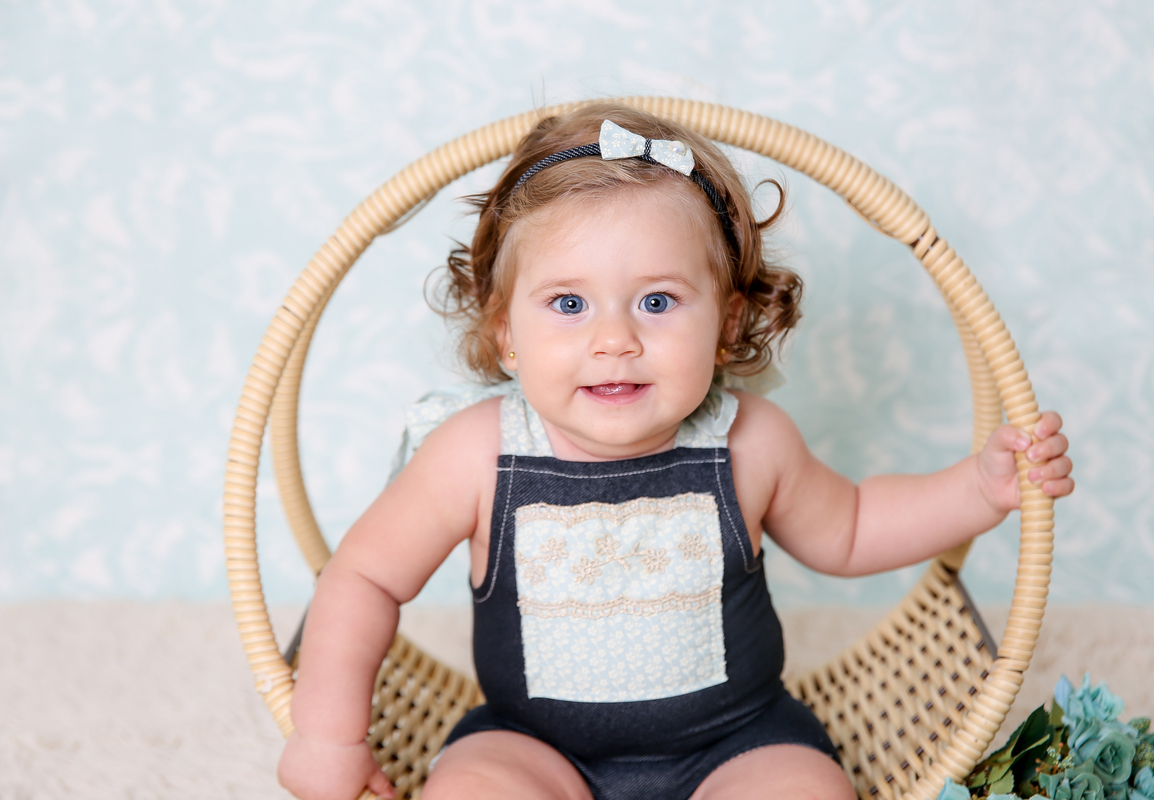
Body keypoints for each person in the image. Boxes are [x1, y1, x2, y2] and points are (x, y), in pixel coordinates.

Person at [276, 103, 1074, 800]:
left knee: (805, 791)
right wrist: (328, 737)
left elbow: (856, 527)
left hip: (737, 745)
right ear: (505, 333)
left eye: (658, 301)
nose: (615, 339)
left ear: (727, 324)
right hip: (530, 744)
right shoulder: (476, 453)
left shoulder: (749, 440)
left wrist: (979, 488)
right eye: (568, 303)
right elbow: (365, 577)